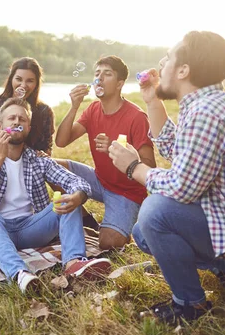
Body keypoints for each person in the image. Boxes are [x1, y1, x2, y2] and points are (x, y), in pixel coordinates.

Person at [108, 31, 225, 324]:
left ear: (183, 70)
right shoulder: (207, 104)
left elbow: (182, 187)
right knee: (143, 232)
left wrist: (134, 168)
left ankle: (190, 305)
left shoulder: (207, 112)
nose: (161, 64)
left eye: (168, 57)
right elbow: (181, 154)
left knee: (155, 212)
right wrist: (152, 101)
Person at [0, 98, 112, 293]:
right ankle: (19, 274)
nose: (17, 122)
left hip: (29, 229)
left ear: (28, 127)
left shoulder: (37, 159)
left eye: (22, 119)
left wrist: (78, 197)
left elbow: (78, 183)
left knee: (68, 200)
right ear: (0, 125)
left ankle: (74, 264)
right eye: (11, 118)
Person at [55, 56, 156, 250]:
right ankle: (86, 220)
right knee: (51, 167)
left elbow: (150, 167)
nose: (99, 79)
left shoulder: (136, 117)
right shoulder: (93, 109)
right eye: (97, 74)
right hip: (99, 181)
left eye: (107, 74)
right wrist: (74, 106)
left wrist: (115, 148)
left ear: (120, 84)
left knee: (108, 243)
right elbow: (61, 141)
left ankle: (122, 229)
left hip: (127, 193)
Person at [0, 57, 55, 155]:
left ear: (36, 83)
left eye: (30, 81)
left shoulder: (44, 111)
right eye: (18, 79)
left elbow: (47, 146)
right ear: (11, 79)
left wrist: (44, 153)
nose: (23, 85)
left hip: (31, 166)